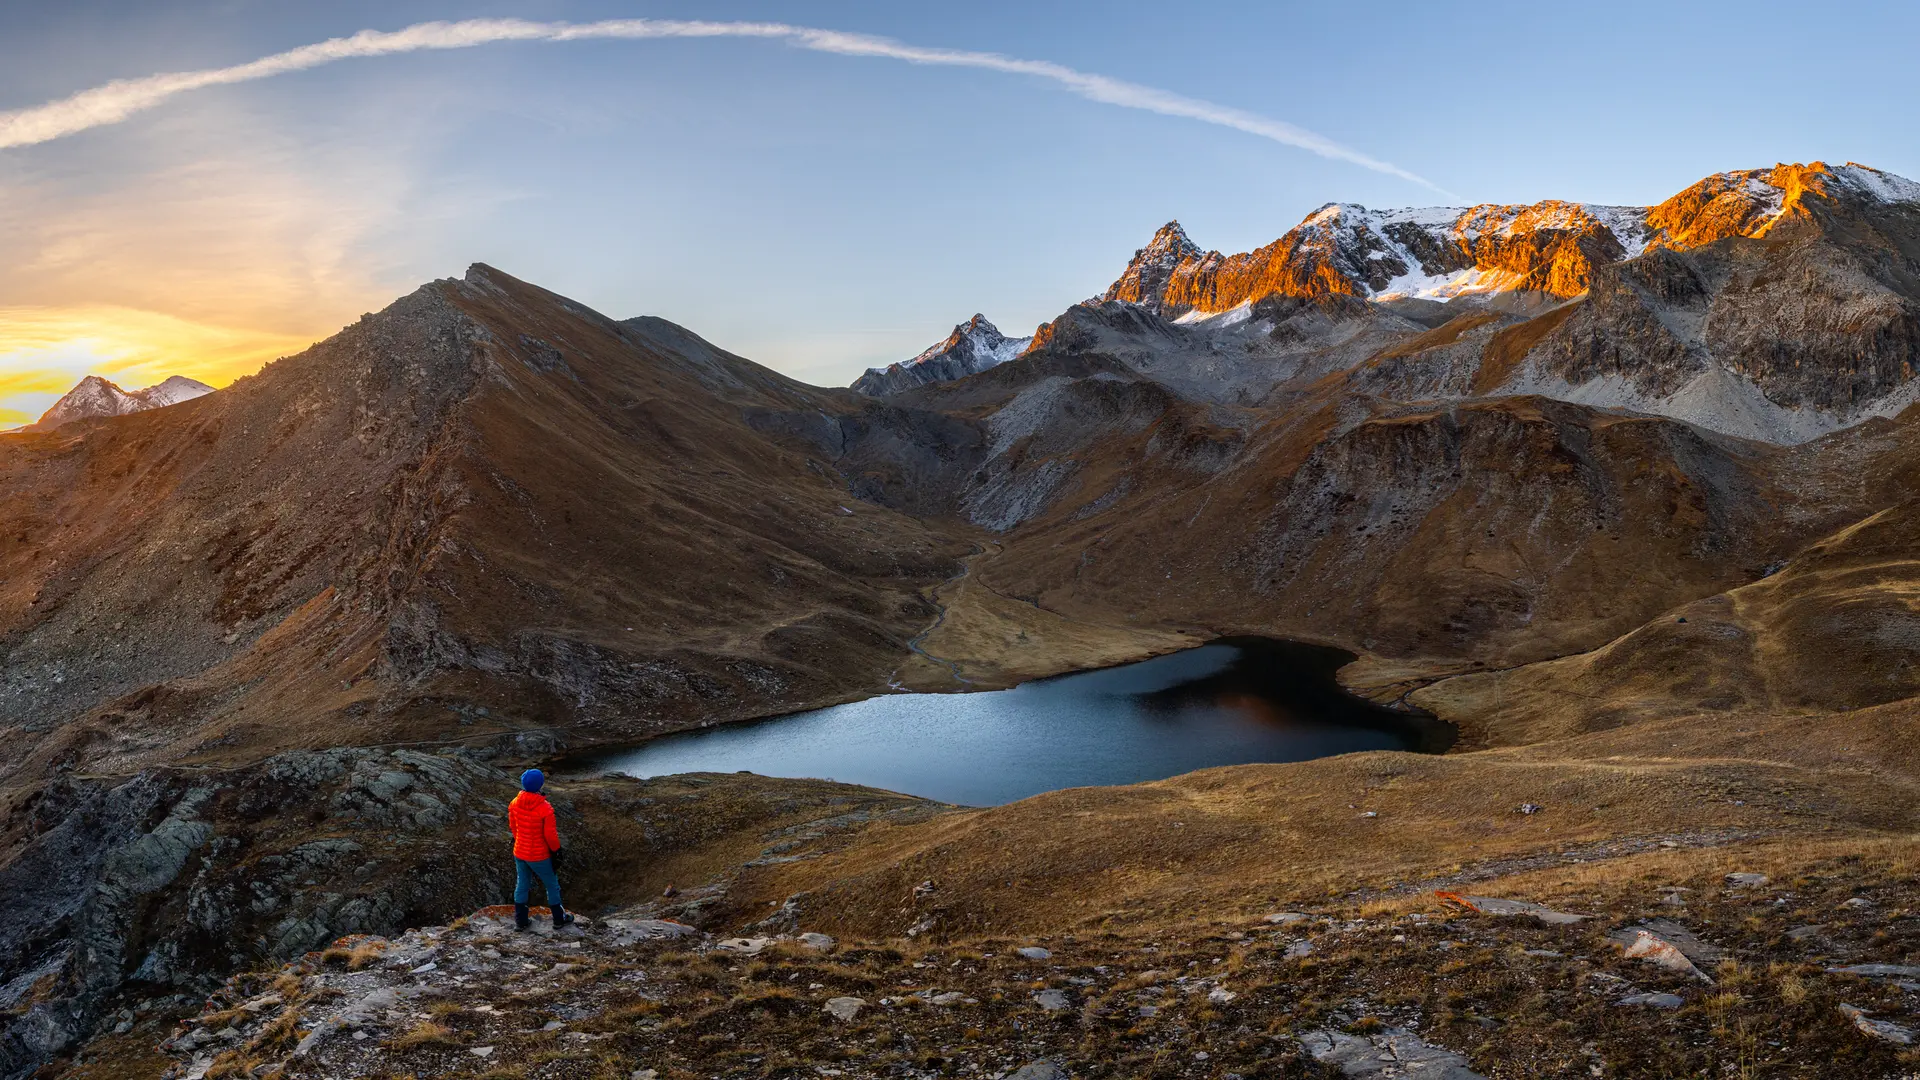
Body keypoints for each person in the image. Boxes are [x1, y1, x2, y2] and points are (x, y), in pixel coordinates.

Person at [507, 768, 574, 930]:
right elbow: (550, 835)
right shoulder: (545, 808)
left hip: (520, 852)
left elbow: (514, 828)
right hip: (539, 855)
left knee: (522, 884)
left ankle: (521, 921)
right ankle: (559, 919)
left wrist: (519, 841)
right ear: (540, 785)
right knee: (552, 885)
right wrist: (557, 851)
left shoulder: (514, 803)